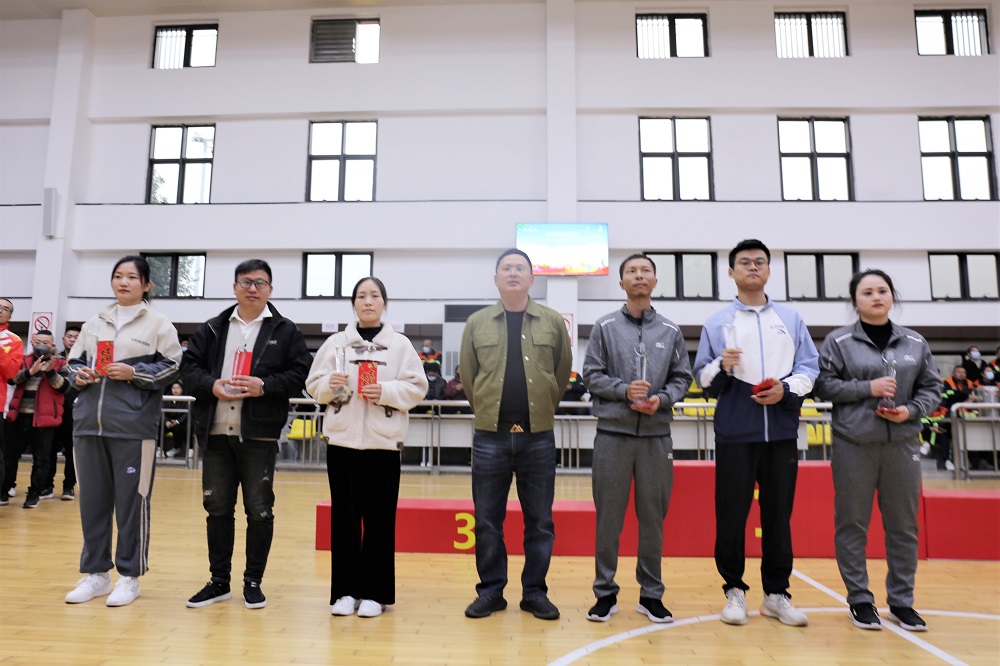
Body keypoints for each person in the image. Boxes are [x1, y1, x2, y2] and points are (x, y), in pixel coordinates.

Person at [693, 239, 818, 628]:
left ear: (768, 270)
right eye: (744, 262)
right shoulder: (717, 322)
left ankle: (776, 594)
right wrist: (721, 364)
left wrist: (786, 389)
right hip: (735, 433)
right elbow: (702, 377)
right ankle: (734, 589)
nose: (752, 267)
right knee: (732, 515)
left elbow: (809, 368)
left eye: (759, 262)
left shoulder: (791, 319)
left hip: (781, 433)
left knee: (779, 515)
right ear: (731, 272)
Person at [814, 269, 941, 632]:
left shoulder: (915, 342)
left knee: (903, 526)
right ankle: (859, 599)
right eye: (867, 292)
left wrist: (910, 411)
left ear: (892, 296)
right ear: (854, 300)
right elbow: (823, 386)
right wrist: (866, 388)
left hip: (902, 445)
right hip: (853, 445)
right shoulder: (838, 341)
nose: (876, 297)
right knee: (852, 524)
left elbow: (932, 389)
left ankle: (901, 602)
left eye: (882, 290)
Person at [182, 259, 310, 611]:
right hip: (215, 433)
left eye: (260, 282)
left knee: (259, 509)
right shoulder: (213, 327)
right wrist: (212, 385)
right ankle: (218, 581)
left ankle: (253, 582)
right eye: (246, 282)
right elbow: (189, 368)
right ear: (234, 287)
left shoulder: (285, 330)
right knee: (217, 508)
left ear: (271, 289)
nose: (252, 288)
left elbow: (300, 374)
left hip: (259, 436)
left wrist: (264, 385)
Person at [460, 248, 572, 620]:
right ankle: (491, 591)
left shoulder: (552, 321)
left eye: (520, 268)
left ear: (531, 278)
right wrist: (486, 410)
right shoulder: (476, 323)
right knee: (487, 521)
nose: (513, 273)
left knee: (540, 521)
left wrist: (542, 408)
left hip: (537, 437)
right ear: (495, 278)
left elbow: (561, 373)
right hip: (489, 436)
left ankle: (535, 593)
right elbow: (468, 376)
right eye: (506, 268)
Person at [306, 277, 428, 618]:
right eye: (361, 296)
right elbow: (313, 384)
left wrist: (386, 392)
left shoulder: (400, 345)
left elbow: (417, 387)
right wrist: (330, 385)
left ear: (384, 303)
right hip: (342, 442)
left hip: (383, 445)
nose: (368, 301)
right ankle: (345, 592)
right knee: (344, 520)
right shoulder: (336, 343)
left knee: (379, 521)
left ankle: (376, 593)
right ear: (354, 304)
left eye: (375, 295)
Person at [65, 256, 182, 607]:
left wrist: (135, 374)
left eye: (132, 277)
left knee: (132, 504)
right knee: (92, 503)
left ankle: (129, 576)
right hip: (89, 425)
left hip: (133, 428)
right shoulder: (94, 323)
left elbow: (174, 367)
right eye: (118, 276)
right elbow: (72, 363)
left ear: (146, 284)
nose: (124, 282)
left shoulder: (158, 324)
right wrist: (79, 375)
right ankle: (96, 574)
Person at [582, 253, 692, 624]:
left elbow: (682, 378)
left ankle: (651, 594)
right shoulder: (605, 327)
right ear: (622, 282)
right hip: (612, 435)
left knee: (653, 518)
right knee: (608, 518)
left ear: (655, 281)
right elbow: (591, 375)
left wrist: (662, 399)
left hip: (656, 437)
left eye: (646, 271)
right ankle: (605, 593)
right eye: (632, 271)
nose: (639, 276)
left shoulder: (671, 331)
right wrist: (623, 390)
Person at [3, 330, 70, 509]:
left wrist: (50, 372)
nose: (42, 345)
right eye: (38, 341)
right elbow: (11, 379)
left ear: (53, 346)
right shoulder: (23, 360)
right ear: (32, 343)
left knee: (42, 460)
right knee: (10, 456)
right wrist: (29, 372)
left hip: (44, 420)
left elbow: (64, 387)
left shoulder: (61, 363)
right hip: (18, 416)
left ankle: (34, 494)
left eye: (46, 343)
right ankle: (4, 490)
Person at [45, 324, 80, 500]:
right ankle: (47, 486)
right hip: (53, 410)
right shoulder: (53, 359)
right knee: (50, 449)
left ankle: (68, 487)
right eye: (70, 336)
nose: (72, 340)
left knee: (72, 451)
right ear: (63, 339)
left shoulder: (84, 361)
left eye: (76, 337)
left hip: (74, 412)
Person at [0, 298, 25, 507]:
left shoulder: (14, 340)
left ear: (10, 315)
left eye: (5, 308)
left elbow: (11, 373)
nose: (0, 310)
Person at [162, 381, 189, 458]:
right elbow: (162, 412)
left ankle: (176, 448)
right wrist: (166, 421)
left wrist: (177, 421)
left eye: (177, 388)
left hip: (180, 422)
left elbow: (186, 414)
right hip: (168, 421)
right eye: (173, 388)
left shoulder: (186, 398)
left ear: (182, 389)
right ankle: (159, 448)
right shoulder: (166, 398)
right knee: (160, 426)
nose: (175, 390)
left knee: (179, 428)